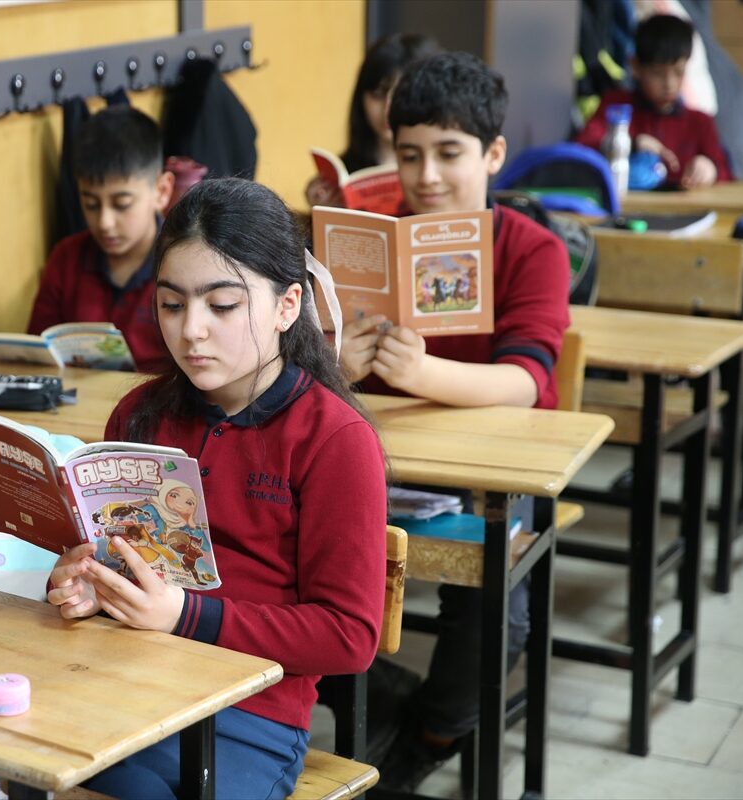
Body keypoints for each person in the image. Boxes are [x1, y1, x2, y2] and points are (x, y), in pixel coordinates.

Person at [47, 178, 388, 799]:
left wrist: (184, 615)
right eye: (171, 304)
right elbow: (121, 559)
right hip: (124, 681)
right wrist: (90, 582)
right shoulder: (139, 415)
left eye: (222, 305)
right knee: (29, 763)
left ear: (287, 306)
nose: (191, 331)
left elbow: (349, 636)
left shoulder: (336, 439)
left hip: (251, 718)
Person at [338, 52, 571, 790]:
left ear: (493, 154)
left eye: (449, 153)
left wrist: (421, 374)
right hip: (381, 462)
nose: (427, 176)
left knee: (498, 608)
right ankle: (370, 701)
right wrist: (334, 362)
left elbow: (528, 382)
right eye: (409, 155)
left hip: (493, 474)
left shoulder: (532, 249)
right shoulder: (368, 241)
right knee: (283, 555)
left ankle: (424, 739)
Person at [27, 105, 174, 372]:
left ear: (162, 191)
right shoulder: (66, 259)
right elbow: (37, 357)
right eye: (91, 204)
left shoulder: (182, 267)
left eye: (122, 204)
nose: (104, 222)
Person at [575, 14, 731, 188]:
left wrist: (710, 169)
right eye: (658, 73)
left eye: (678, 72)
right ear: (635, 66)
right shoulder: (616, 107)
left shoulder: (700, 122)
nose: (669, 83)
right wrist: (632, 144)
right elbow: (581, 148)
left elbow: (726, 172)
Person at [305, 33, 439, 207]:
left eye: (400, 96)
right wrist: (322, 212)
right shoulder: (343, 178)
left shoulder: (438, 174)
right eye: (378, 95)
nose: (388, 108)